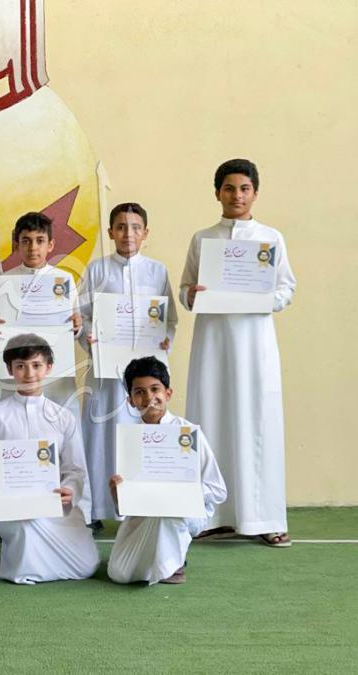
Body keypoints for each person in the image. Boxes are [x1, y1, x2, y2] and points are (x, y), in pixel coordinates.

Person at [180, 159, 296, 547]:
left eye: (244, 188)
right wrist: (191, 294)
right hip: (212, 344)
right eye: (229, 188)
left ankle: (264, 518)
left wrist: (262, 298)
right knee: (211, 416)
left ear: (255, 193)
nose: (237, 196)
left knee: (258, 421)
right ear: (218, 193)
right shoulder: (202, 239)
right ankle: (213, 515)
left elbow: (286, 289)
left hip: (254, 343)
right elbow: (185, 289)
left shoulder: (271, 238)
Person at [78, 203, 177, 531]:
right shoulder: (97, 270)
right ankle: (95, 508)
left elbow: (169, 320)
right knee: (100, 435)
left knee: (140, 434)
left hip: (143, 378)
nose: (128, 234)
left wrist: (165, 341)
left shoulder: (157, 272)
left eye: (135, 227)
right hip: (106, 373)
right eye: (121, 227)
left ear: (146, 233)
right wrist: (90, 337)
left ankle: (137, 507)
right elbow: (81, 316)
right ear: (110, 232)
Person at [0, 333, 99, 584]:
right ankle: (20, 561)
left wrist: (70, 490)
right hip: (12, 505)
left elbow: (75, 469)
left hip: (54, 505)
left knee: (86, 565)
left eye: (36, 365)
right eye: (20, 366)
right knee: (26, 528)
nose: (29, 373)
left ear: (49, 367)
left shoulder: (63, 417)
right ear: (10, 370)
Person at [107, 357, 226, 584]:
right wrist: (116, 494)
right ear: (131, 400)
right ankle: (163, 558)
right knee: (119, 573)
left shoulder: (188, 433)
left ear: (168, 393)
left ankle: (174, 562)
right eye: (139, 392)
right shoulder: (129, 440)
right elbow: (126, 506)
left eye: (155, 389)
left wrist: (178, 492)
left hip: (183, 513)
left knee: (166, 510)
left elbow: (218, 489)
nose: (149, 398)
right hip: (144, 513)